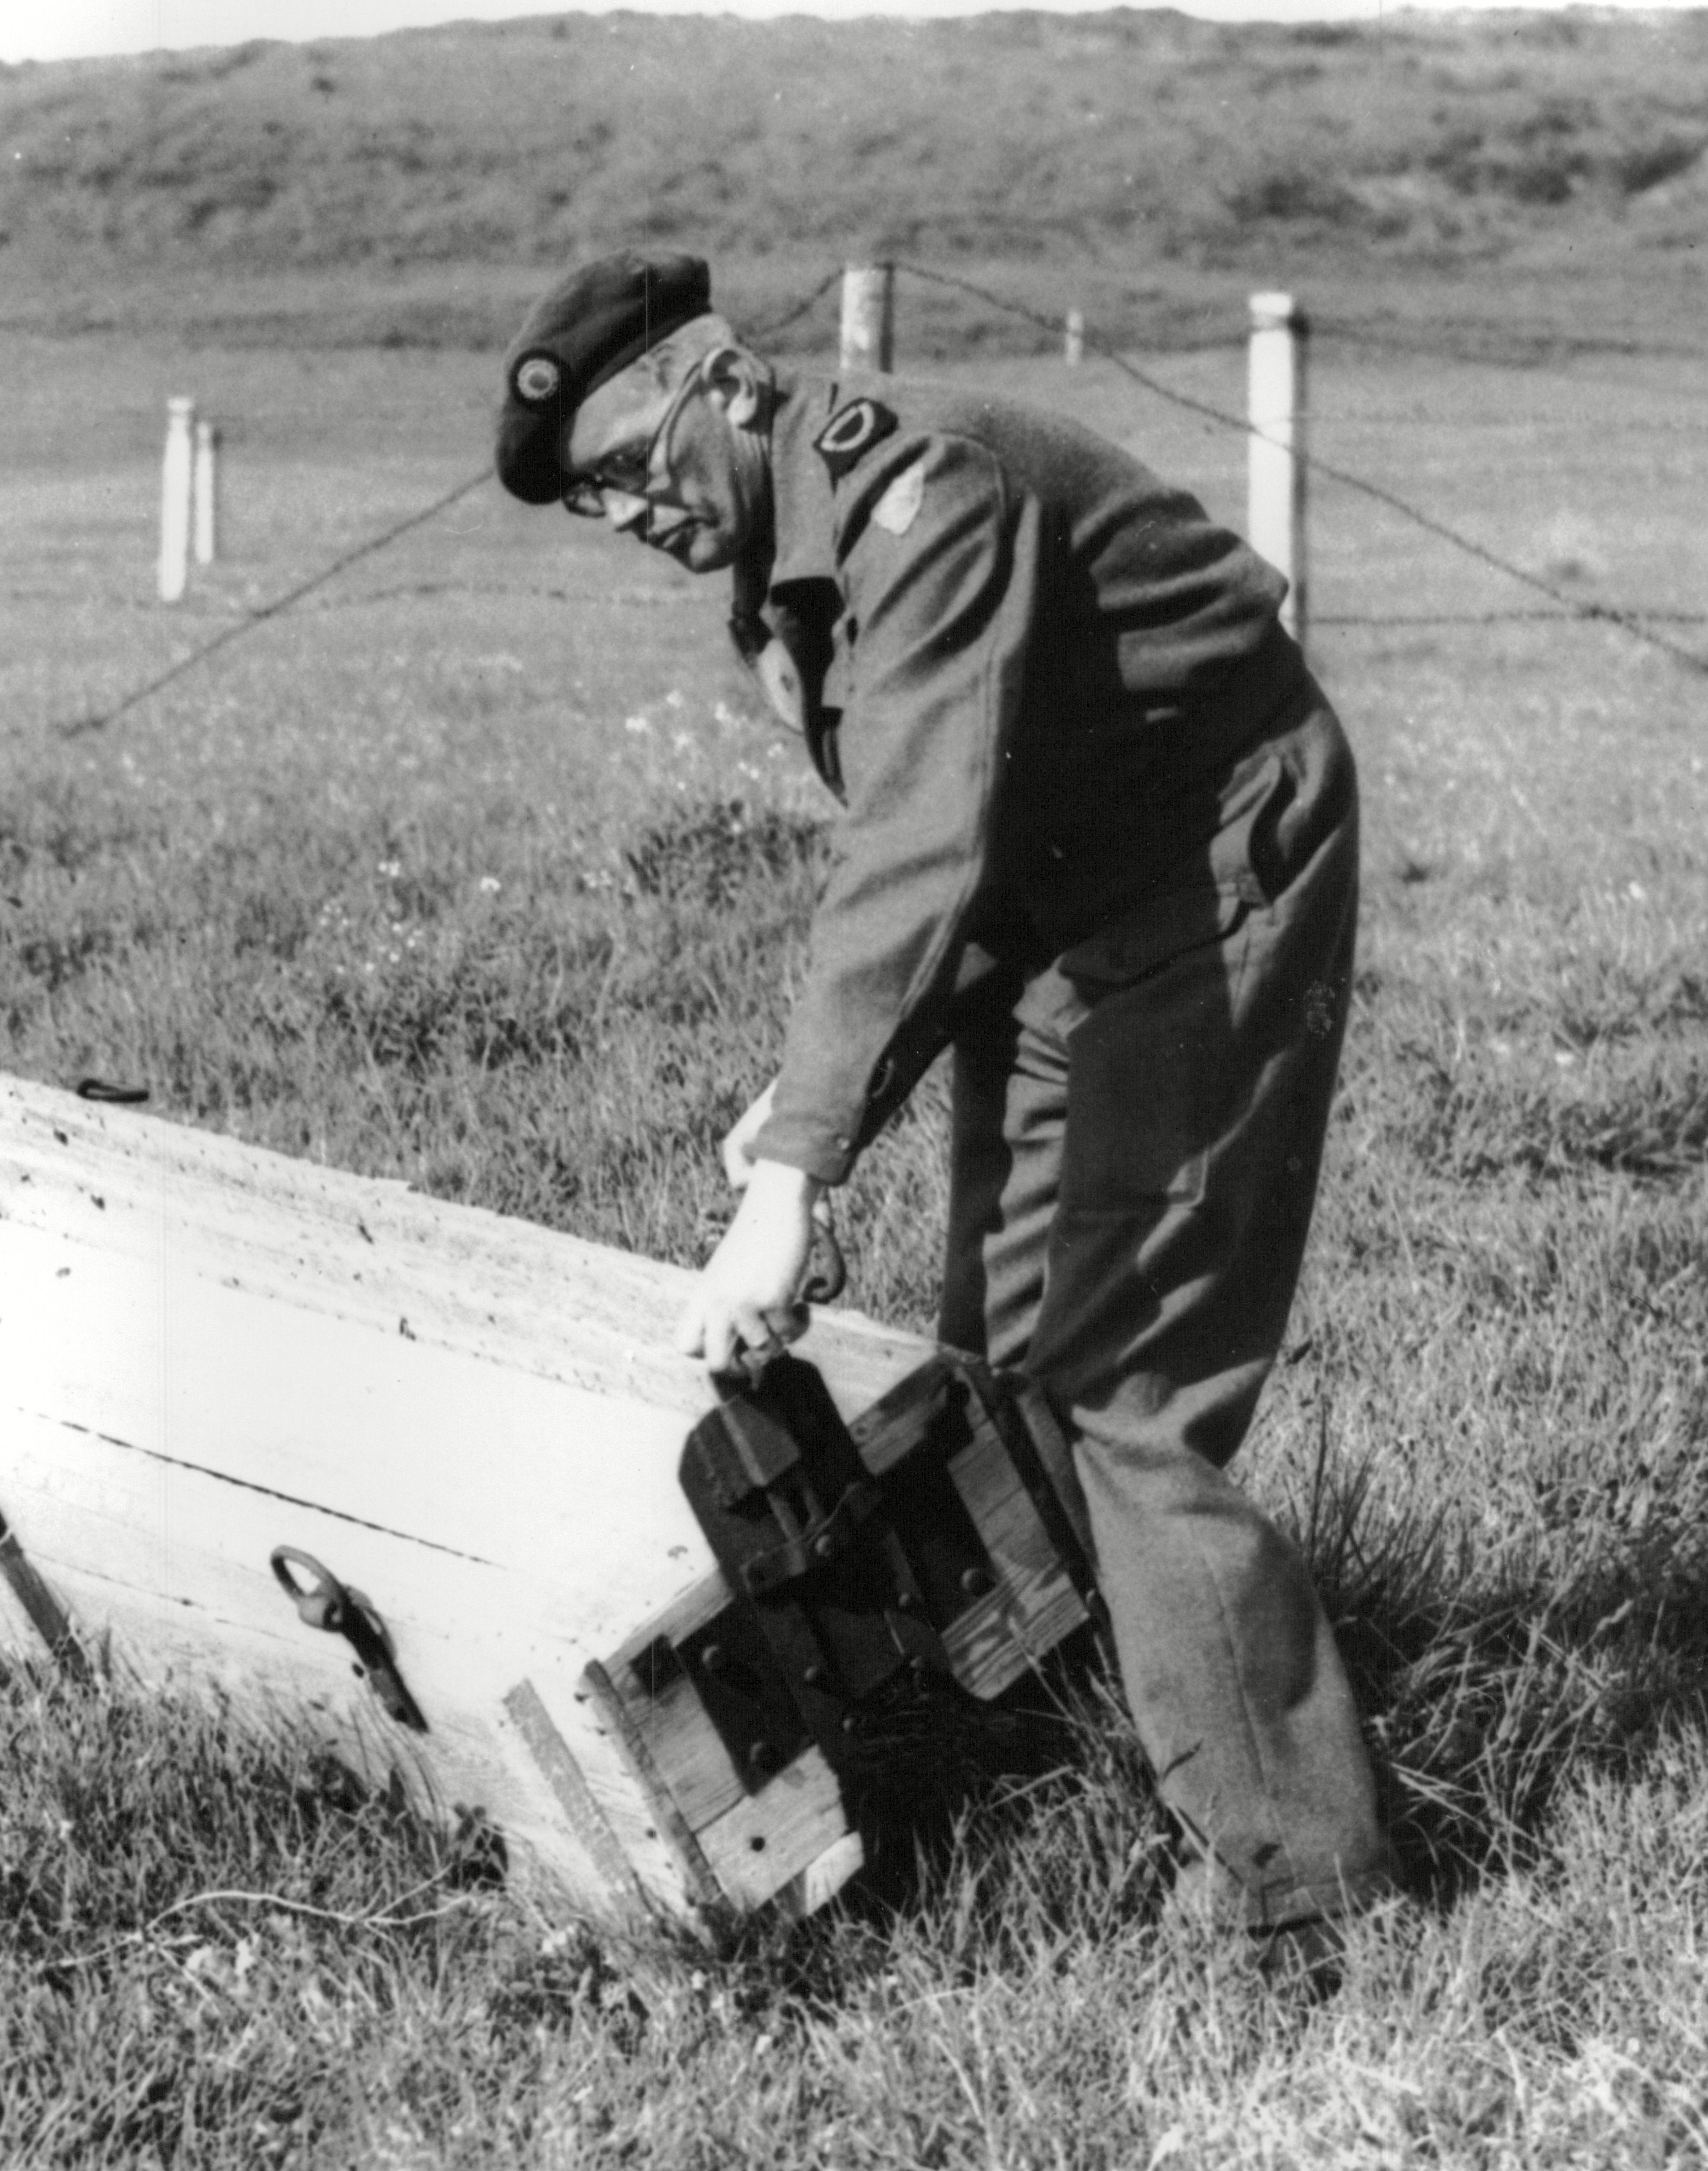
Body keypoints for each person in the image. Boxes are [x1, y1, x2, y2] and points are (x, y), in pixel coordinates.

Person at [496, 251, 1397, 1962]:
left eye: (630, 464)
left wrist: (793, 1173)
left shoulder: (924, 493)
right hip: (1063, 895)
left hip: (1207, 863)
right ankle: (1093, 1745)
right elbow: (947, 853)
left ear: (728, 387)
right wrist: (814, 1102)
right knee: (998, 1356)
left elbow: (916, 841)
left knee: (1124, 1388)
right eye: (592, 503)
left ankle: (1301, 1887)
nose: (622, 512)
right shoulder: (780, 586)